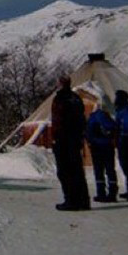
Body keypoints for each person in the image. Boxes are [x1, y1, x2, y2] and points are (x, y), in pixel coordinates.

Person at [51, 76, 91, 211]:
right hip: (75, 138)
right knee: (77, 170)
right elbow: (82, 118)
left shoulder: (60, 99)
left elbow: (57, 120)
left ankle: (71, 200)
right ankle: (83, 200)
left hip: (63, 139)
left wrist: (55, 137)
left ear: (60, 85)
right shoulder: (76, 98)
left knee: (65, 171)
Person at [85, 98, 118, 203]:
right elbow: (115, 129)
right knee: (110, 170)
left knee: (99, 171)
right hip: (108, 146)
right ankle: (112, 193)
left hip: (97, 147)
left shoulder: (93, 118)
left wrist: (90, 142)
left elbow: (88, 131)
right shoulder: (109, 119)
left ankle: (101, 193)